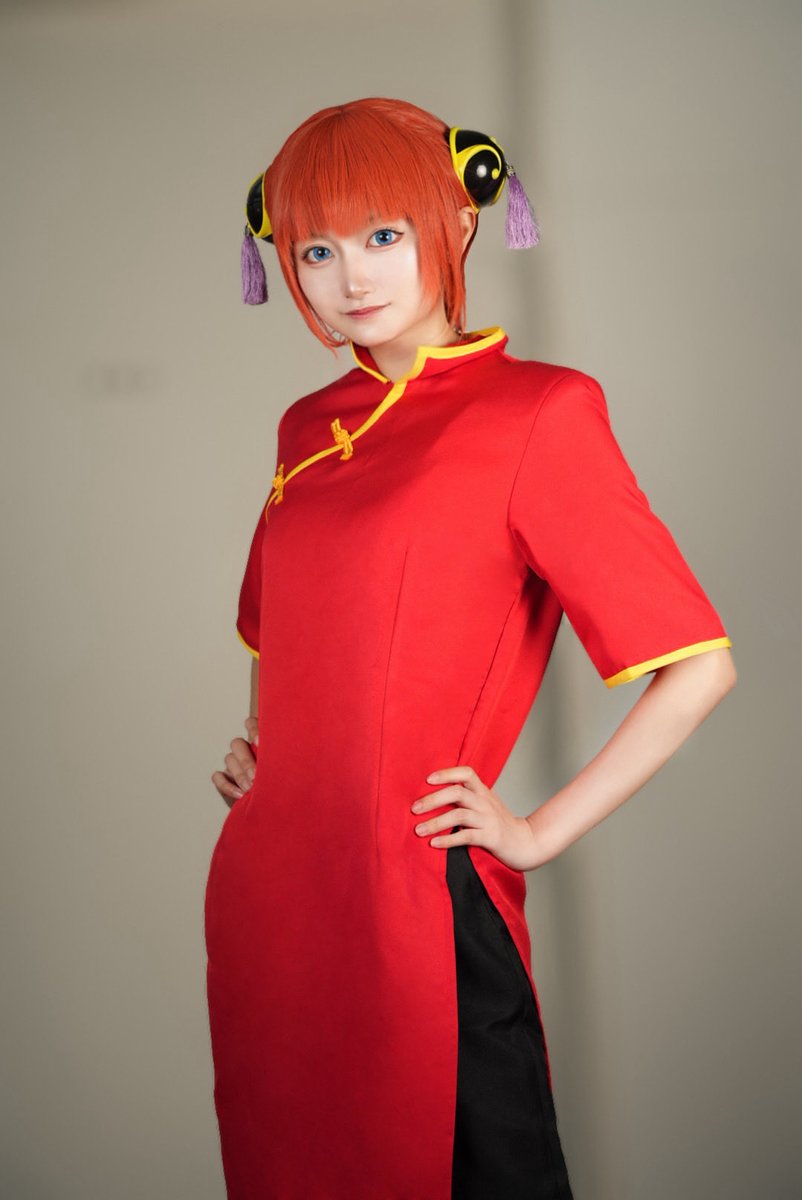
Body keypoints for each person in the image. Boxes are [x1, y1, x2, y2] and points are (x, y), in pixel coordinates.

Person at [206, 97, 736, 1200]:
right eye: (315, 250)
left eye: (382, 235)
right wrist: (268, 743)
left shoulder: (539, 411)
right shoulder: (305, 426)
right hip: (276, 892)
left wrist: (533, 833)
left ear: (459, 217)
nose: (351, 277)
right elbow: (278, 624)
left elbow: (699, 666)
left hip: (421, 889)